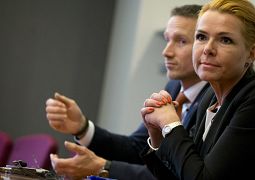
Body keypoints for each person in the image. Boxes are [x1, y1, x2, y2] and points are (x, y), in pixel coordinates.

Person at [45, 4, 212, 180]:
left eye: (181, 41)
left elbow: (178, 173)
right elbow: (137, 147)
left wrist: (102, 167)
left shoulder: (214, 99)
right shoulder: (174, 87)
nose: (166, 52)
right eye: (167, 39)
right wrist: (82, 127)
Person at [141, 0, 255, 179]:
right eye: (201, 37)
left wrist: (170, 125)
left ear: (252, 53)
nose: (208, 49)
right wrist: (158, 138)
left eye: (225, 40)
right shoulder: (210, 96)